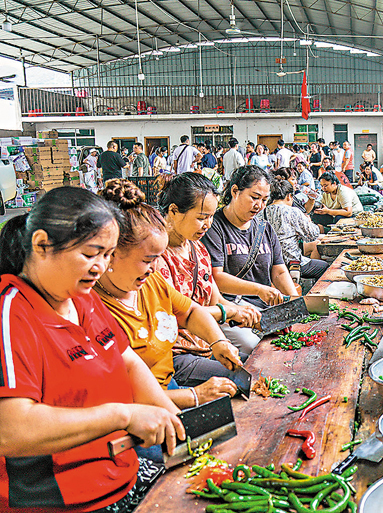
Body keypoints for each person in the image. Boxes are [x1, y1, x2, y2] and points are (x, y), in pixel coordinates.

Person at [0, 186, 184, 511]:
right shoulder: (12, 314)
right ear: (41, 245)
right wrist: (124, 415)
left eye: (108, 254)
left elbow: (128, 362)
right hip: (61, 500)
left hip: (119, 475)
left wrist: (176, 421)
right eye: (90, 254)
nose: (100, 266)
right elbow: (12, 430)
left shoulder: (84, 299)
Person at [95, 180, 243, 411]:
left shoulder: (151, 283)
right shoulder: (92, 309)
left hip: (169, 386)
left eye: (157, 258)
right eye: (147, 260)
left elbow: (190, 311)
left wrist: (219, 341)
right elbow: (123, 397)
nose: (155, 267)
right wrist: (194, 396)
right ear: (111, 254)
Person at [155, 173, 262, 362]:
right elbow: (176, 315)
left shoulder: (198, 249)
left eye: (211, 217)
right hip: (175, 355)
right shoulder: (155, 256)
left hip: (205, 347)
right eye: (201, 217)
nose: (208, 225)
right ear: (173, 211)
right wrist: (230, 312)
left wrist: (249, 315)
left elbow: (216, 299)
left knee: (259, 362)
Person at [201, 166, 297, 308]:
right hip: (232, 308)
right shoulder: (214, 227)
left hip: (264, 307)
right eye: (255, 197)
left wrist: (295, 300)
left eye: (264, 200)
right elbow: (216, 277)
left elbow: (279, 271)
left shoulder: (265, 228)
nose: (259, 205)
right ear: (235, 191)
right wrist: (258, 290)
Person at [264, 179, 328, 285]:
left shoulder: (262, 212)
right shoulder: (293, 211)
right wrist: (308, 222)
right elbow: (312, 235)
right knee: (324, 267)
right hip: (291, 263)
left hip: (269, 263)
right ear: (289, 196)